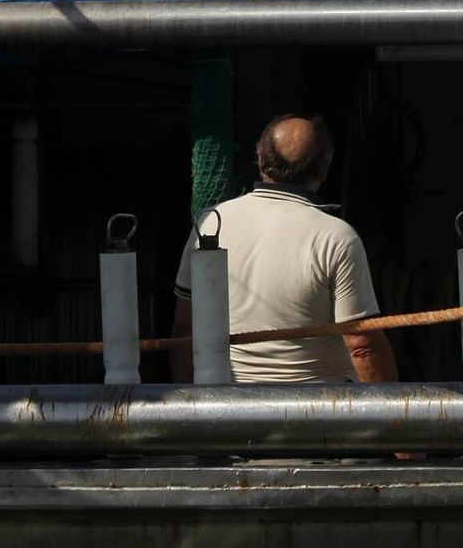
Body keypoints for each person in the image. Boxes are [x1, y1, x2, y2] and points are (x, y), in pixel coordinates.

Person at [169, 114, 396, 384]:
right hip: (319, 414)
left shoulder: (209, 224)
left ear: (259, 157)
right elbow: (361, 345)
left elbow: (185, 330)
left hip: (229, 411)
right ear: (325, 167)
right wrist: (396, 422)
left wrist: (191, 409)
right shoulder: (335, 237)